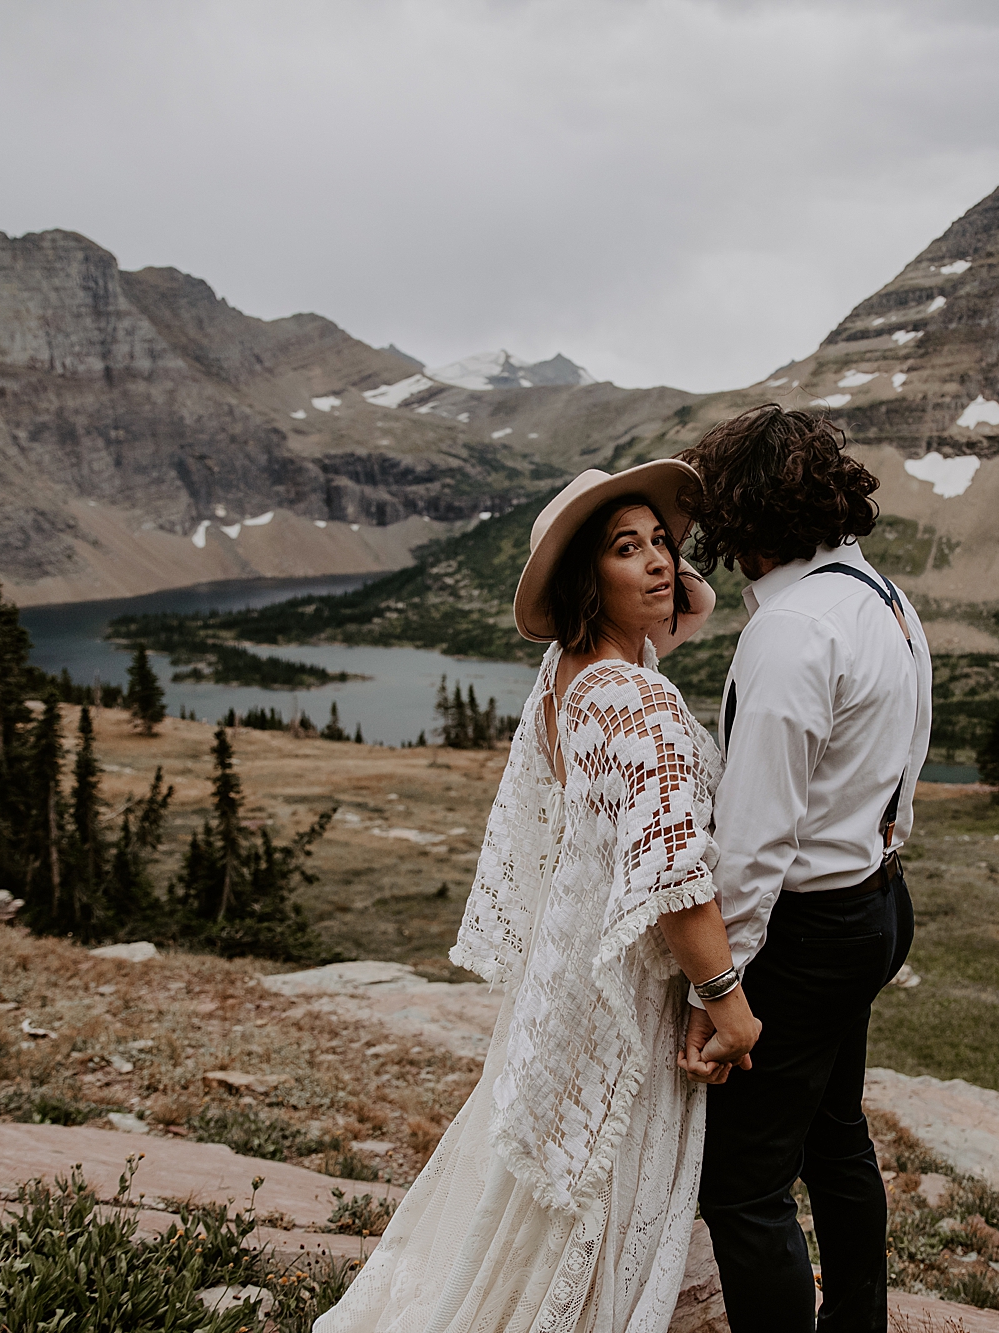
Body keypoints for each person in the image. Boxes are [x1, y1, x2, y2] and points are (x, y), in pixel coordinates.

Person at [317, 459, 759, 1333]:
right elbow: (673, 873)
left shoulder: (566, 677)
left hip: (564, 994)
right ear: (587, 577)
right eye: (627, 549)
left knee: (530, 1208)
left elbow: (675, 620)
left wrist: (647, 584)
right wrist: (726, 1001)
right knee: (601, 1202)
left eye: (664, 543)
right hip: (627, 1001)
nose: (662, 562)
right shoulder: (637, 700)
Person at [677, 406, 934, 1333]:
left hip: (810, 927)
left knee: (743, 1185)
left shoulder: (791, 633)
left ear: (740, 519)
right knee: (833, 1135)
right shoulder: (883, 599)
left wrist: (722, 985)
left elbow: (752, 841)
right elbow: (904, 762)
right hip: (877, 898)